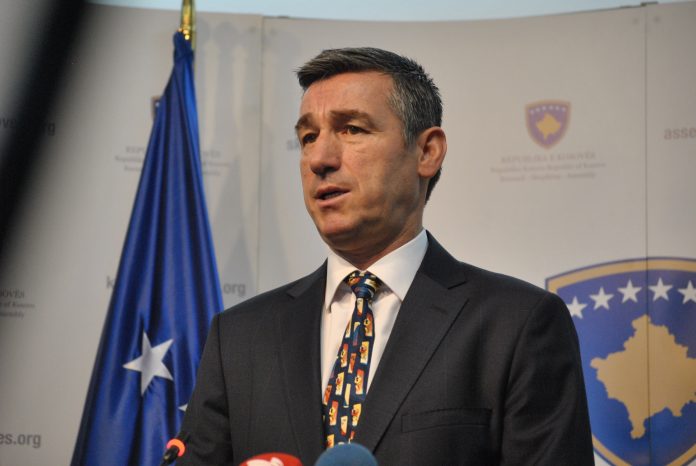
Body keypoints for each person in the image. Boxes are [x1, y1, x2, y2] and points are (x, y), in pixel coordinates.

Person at [178, 47, 594, 465]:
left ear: (427, 152)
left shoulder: (515, 324)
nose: (319, 159)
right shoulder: (239, 338)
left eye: (352, 129)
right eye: (308, 138)